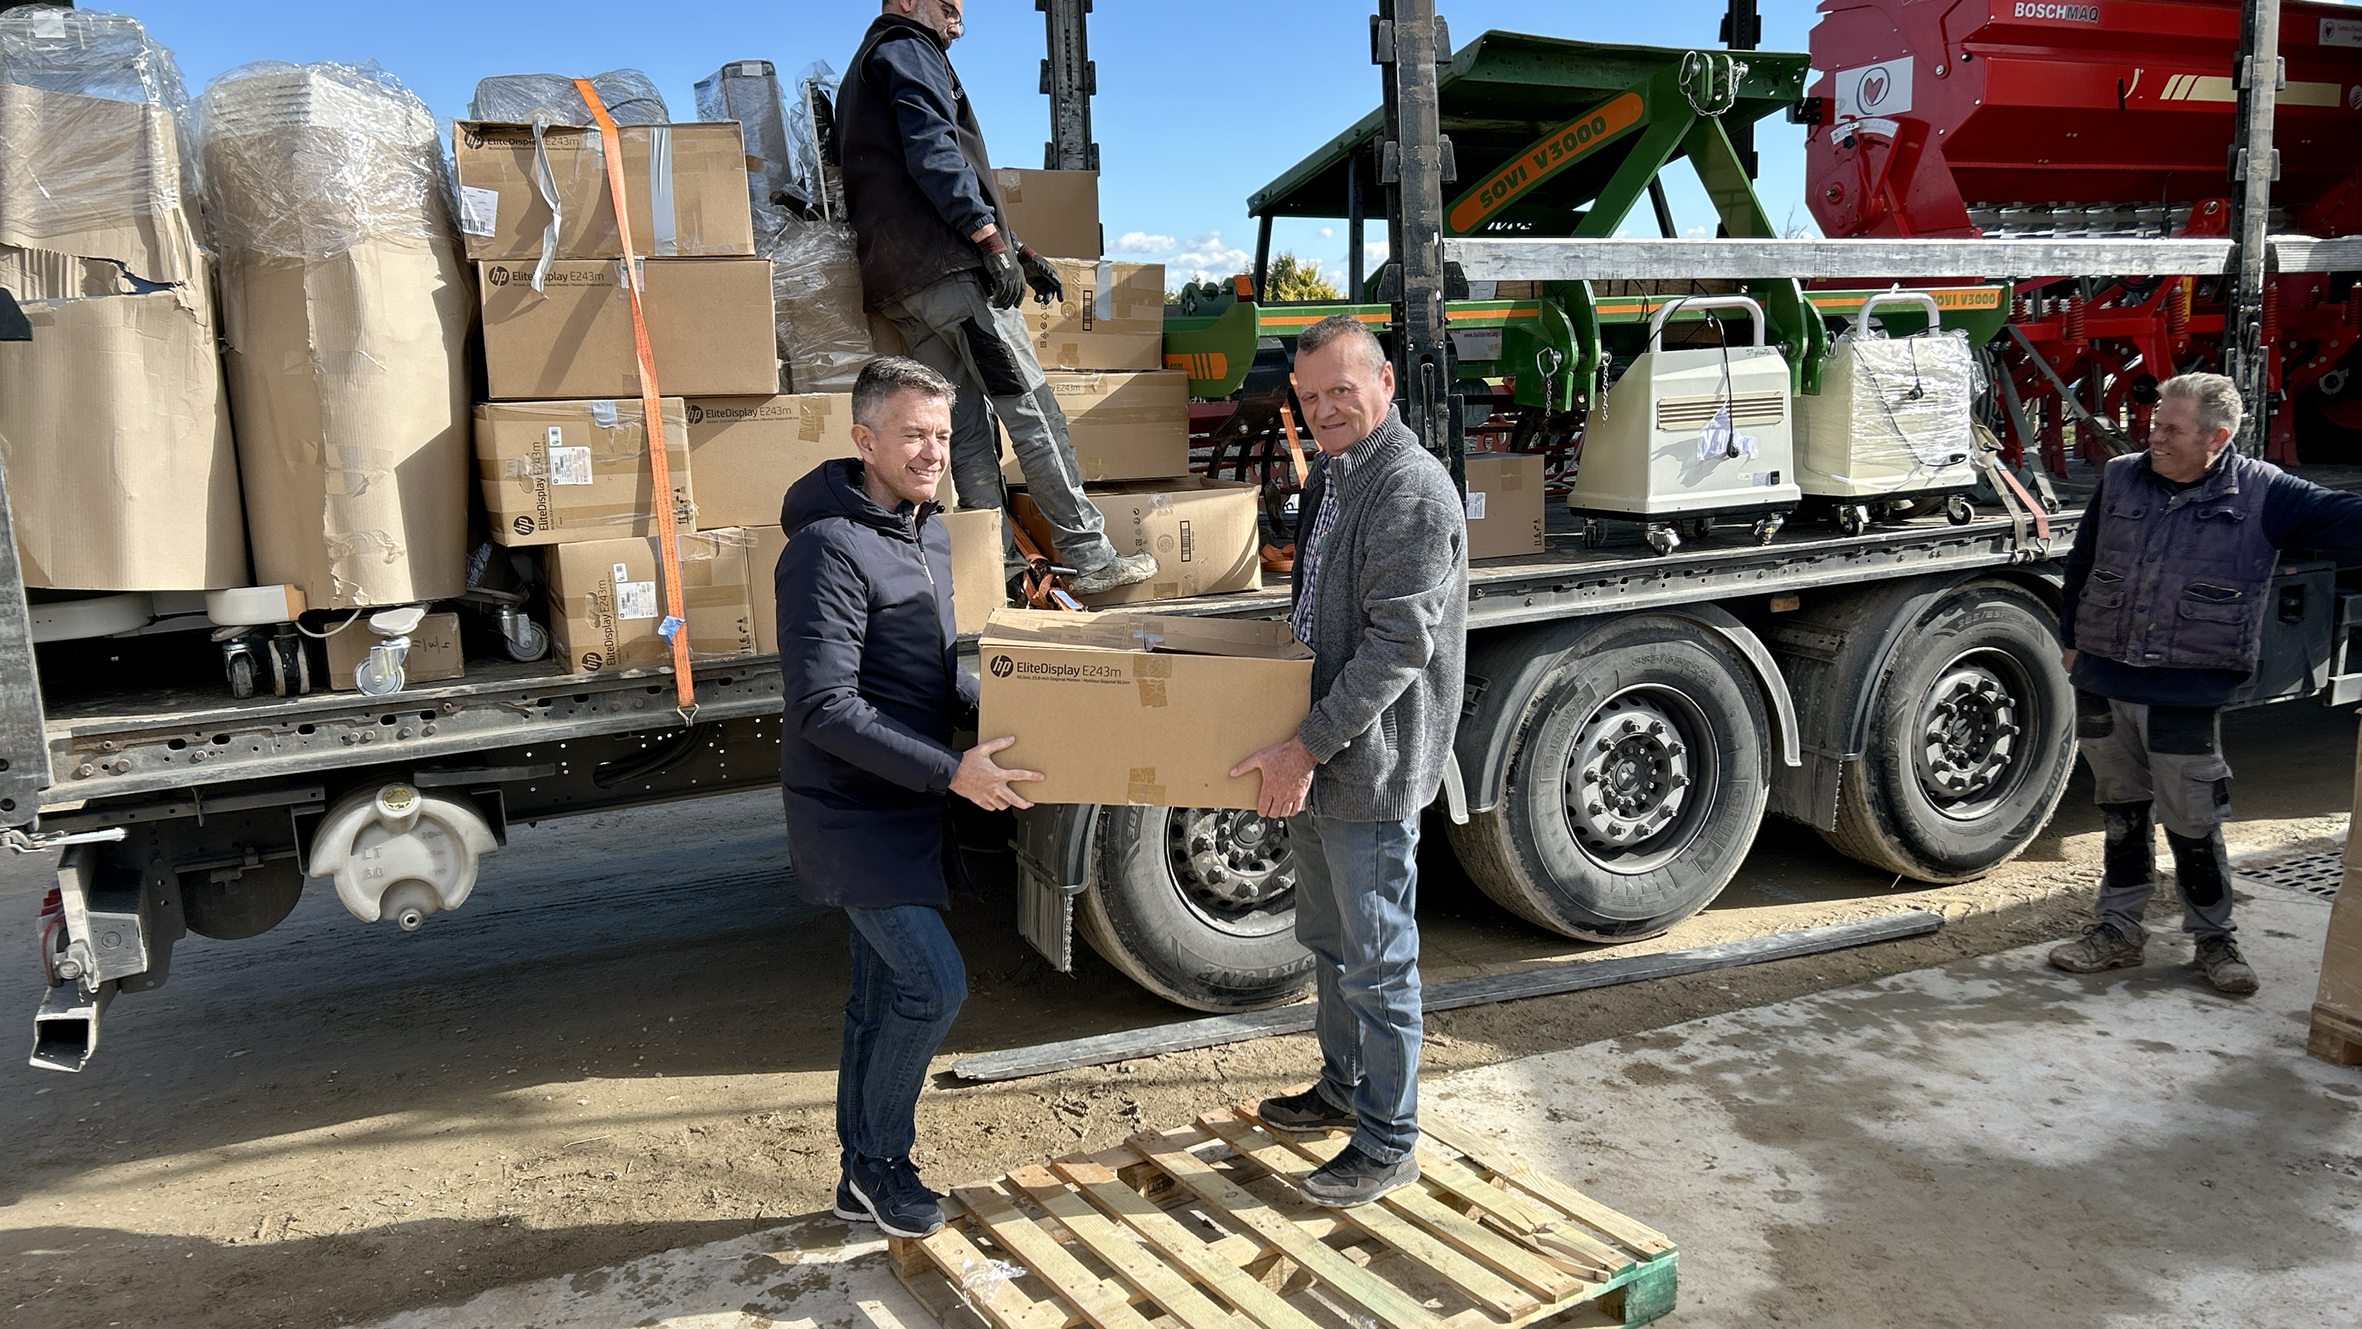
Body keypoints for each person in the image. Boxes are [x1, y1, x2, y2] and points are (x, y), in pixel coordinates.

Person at [774, 357, 1043, 1238]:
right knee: (933, 984)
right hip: (851, 813)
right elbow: (824, 706)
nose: (933, 451)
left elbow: (923, 675)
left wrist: (1014, 706)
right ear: (865, 440)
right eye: (913, 435)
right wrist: (951, 771)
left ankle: (858, 1172)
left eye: (943, 434)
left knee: (878, 996)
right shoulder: (826, 547)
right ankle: (884, 1161)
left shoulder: (925, 533)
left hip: (907, 801)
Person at [1232, 315, 1467, 1207]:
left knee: (1377, 958)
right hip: (1322, 752)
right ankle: (1343, 1087)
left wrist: (1304, 746)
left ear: (1385, 383)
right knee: (1329, 941)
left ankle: (1389, 1138)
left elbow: (1398, 646)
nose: (1324, 410)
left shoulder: (1409, 487)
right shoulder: (1333, 470)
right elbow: (1319, 605)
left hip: (1367, 761)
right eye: (1310, 396)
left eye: (1341, 389)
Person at [2050, 371, 2362, 993]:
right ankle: (2117, 930)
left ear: (2216, 438)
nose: (2153, 437)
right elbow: (2083, 559)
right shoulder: (2122, 476)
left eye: (2171, 429)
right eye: (2154, 424)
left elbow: (2351, 520)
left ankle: (2214, 940)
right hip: (2103, 676)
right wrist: (2070, 640)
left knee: (2192, 818)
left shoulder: (2266, 493)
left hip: (2185, 689)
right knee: (2120, 809)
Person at [834, 0, 1155, 597]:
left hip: (904, 287)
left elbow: (909, 179)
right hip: (954, 276)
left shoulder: (862, 70)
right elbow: (934, 152)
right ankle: (1089, 555)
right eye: (948, 8)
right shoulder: (908, 49)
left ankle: (1001, 570)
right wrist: (987, 239)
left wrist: (1018, 250)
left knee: (963, 430)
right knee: (1033, 413)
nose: (958, 23)